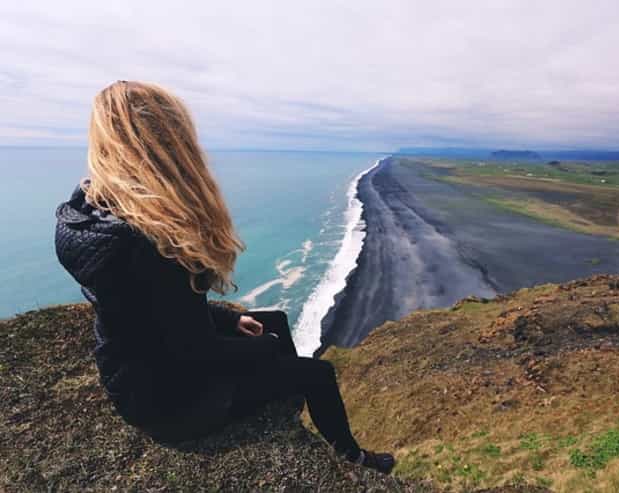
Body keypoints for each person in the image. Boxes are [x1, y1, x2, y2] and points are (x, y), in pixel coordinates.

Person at [54, 80, 394, 474]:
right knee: (318, 373)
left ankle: (283, 395)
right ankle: (352, 457)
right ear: (172, 143)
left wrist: (232, 319)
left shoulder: (93, 216)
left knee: (276, 322)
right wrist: (264, 349)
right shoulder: (148, 238)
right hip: (172, 402)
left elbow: (153, 309)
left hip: (132, 374)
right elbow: (193, 350)